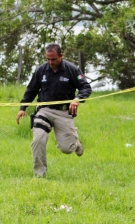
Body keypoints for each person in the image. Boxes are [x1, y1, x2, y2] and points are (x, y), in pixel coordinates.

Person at [16, 43, 92, 177]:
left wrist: (77, 99)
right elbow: (31, 90)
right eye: (48, 59)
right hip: (44, 110)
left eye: (53, 59)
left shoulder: (72, 69)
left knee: (66, 148)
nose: (50, 62)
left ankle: (75, 143)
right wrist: (22, 108)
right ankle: (39, 175)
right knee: (38, 139)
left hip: (63, 113)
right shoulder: (41, 70)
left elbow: (85, 87)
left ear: (61, 56)